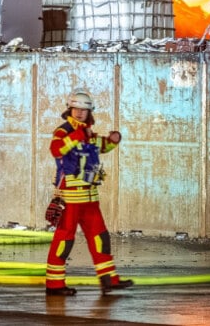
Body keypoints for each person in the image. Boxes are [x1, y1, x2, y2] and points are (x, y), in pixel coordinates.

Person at [45, 90, 133, 296]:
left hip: (90, 199)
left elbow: (100, 146)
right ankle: (54, 285)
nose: (79, 113)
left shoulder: (89, 132)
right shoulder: (64, 131)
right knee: (64, 240)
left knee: (100, 238)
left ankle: (109, 280)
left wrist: (113, 140)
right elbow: (56, 149)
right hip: (70, 198)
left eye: (84, 110)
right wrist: (76, 137)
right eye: (76, 109)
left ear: (89, 112)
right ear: (69, 109)